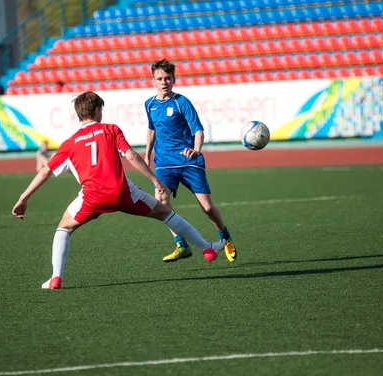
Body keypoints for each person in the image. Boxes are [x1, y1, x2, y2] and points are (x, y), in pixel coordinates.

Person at [12, 92, 226, 289]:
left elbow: (45, 172)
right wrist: (155, 181)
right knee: (166, 213)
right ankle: (206, 248)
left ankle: (56, 277)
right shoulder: (110, 130)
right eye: (101, 109)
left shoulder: (69, 143)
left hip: (92, 197)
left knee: (64, 228)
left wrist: (23, 198)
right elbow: (131, 156)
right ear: (96, 110)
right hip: (122, 193)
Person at [143, 59, 237, 263]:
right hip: (164, 163)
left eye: (167, 78)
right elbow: (151, 130)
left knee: (207, 207)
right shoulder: (149, 104)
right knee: (161, 201)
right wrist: (147, 153)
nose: (163, 82)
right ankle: (181, 245)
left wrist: (196, 150)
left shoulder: (181, 102)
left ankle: (225, 237)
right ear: (153, 81)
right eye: (159, 78)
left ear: (174, 79)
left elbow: (198, 130)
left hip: (188, 161)